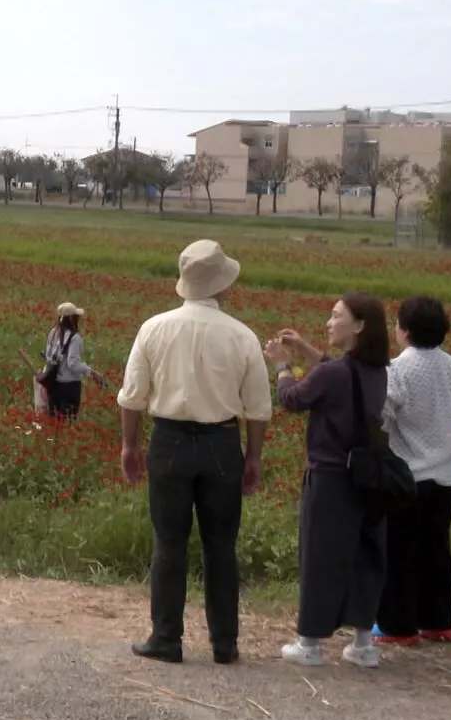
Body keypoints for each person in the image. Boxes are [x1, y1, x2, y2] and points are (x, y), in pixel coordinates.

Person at [117, 240, 271, 666]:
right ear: (222, 285)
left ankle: (166, 638)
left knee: (169, 543)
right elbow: (258, 408)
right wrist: (253, 457)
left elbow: (132, 397)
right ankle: (225, 643)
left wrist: (130, 445)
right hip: (222, 442)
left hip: (168, 442)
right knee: (221, 546)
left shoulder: (154, 328)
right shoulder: (242, 335)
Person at [266, 293, 391, 669]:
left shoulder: (334, 374)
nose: (329, 322)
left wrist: (283, 366)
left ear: (359, 326)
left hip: (330, 477)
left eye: (337, 316)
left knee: (320, 557)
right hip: (368, 477)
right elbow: (337, 373)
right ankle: (363, 644)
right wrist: (306, 349)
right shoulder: (376, 370)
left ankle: (309, 642)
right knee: (364, 557)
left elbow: (292, 399)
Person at [373, 296, 451, 646]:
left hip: (407, 472)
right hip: (446, 473)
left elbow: (383, 416)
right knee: (436, 548)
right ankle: (438, 622)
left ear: (404, 330)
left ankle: (397, 626)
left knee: (399, 550)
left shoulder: (397, 369)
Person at [38, 303, 107, 418]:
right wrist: (91, 372)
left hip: (53, 384)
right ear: (71, 318)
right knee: (68, 419)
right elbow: (73, 364)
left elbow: (49, 357)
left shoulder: (53, 333)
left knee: (54, 420)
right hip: (69, 386)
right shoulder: (75, 338)